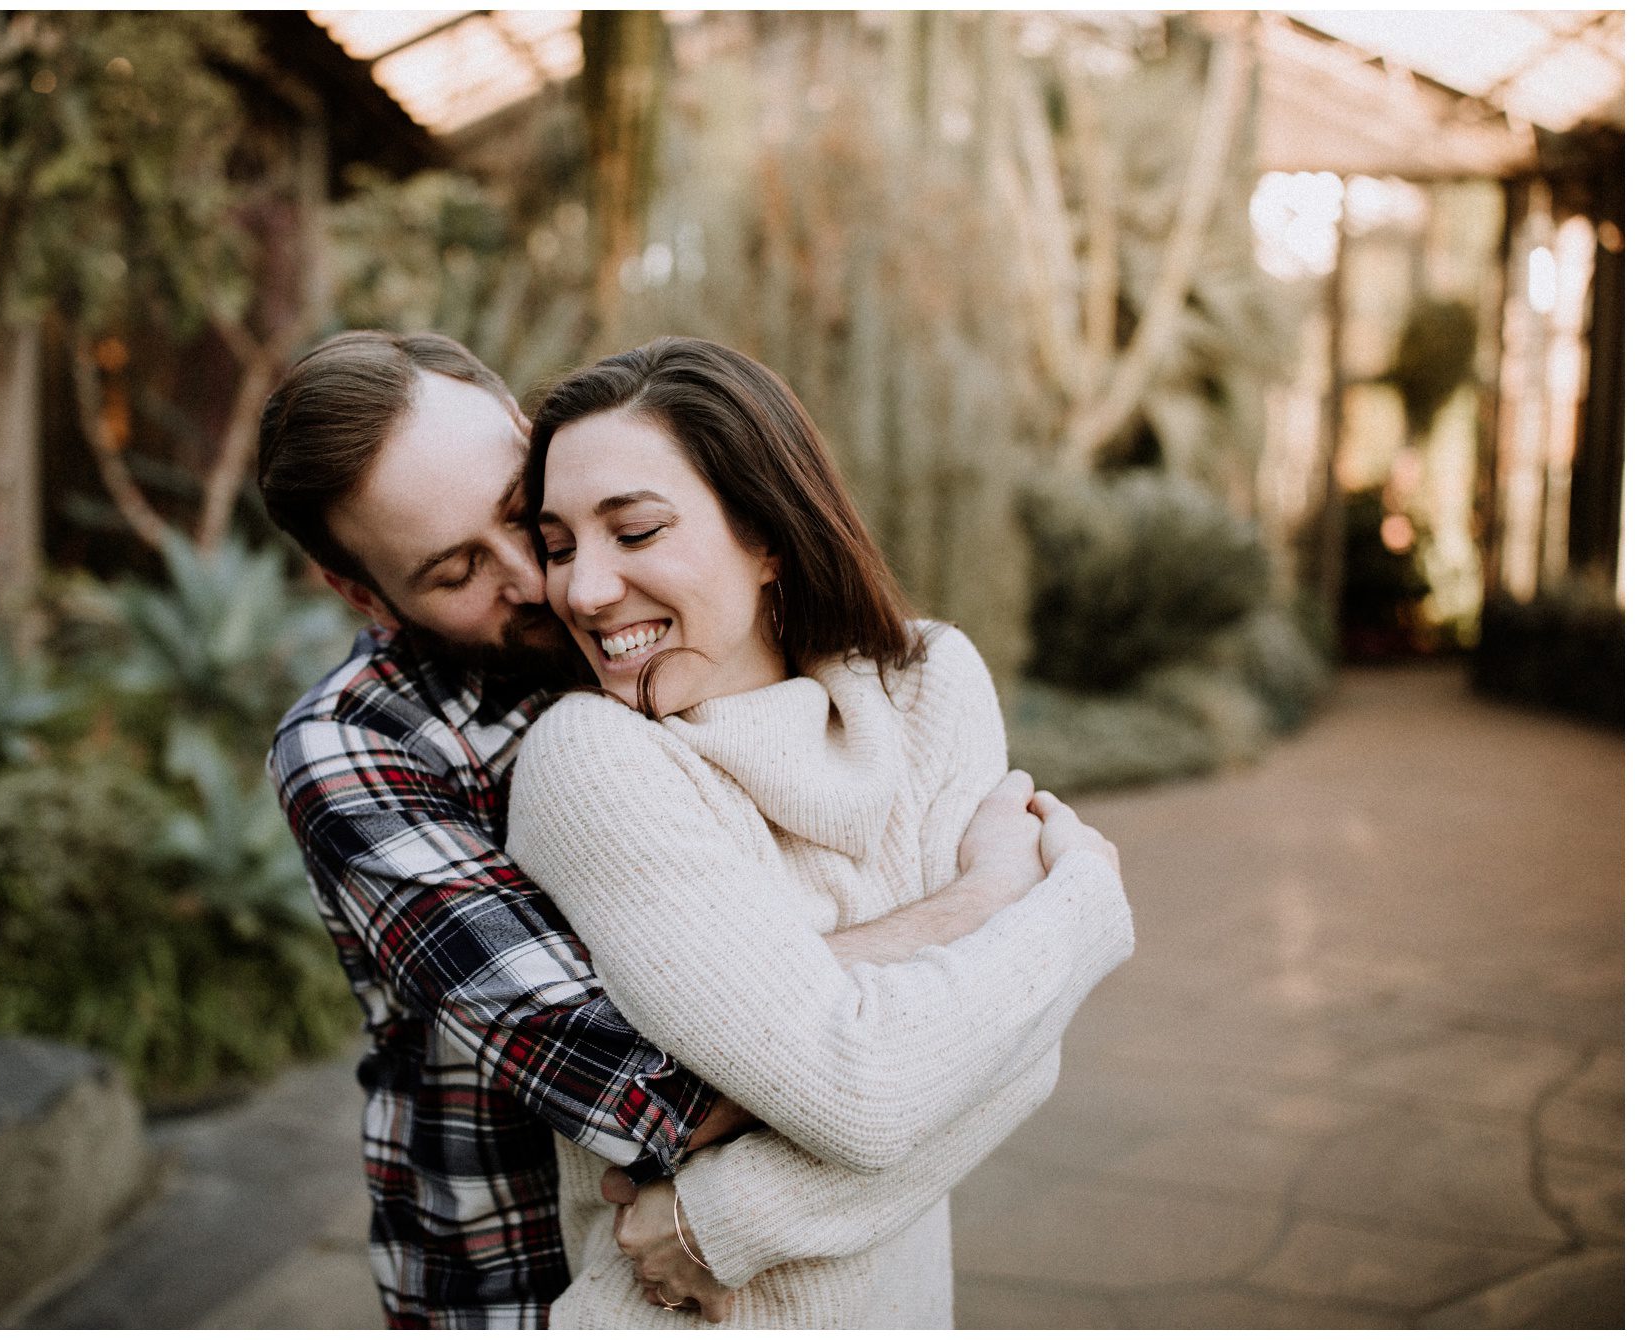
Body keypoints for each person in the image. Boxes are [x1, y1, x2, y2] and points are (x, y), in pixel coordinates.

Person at [258, 331, 1132, 1327]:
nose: (552, 586)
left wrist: (742, 1206)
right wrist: (997, 905)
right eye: (457, 570)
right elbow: (647, 1080)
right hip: (516, 1275)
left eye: (523, 521)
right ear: (362, 593)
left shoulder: (783, 659)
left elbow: (999, 1042)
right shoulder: (361, 745)